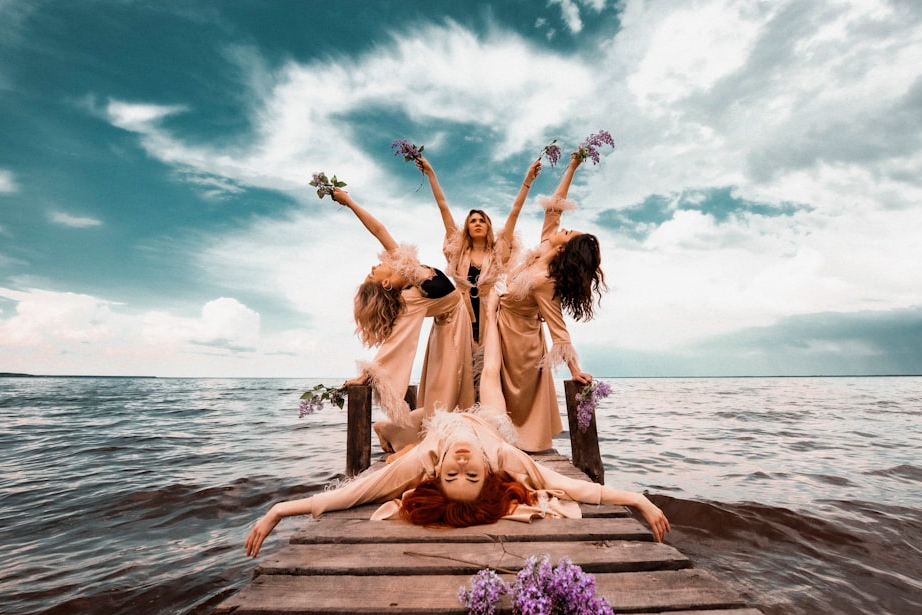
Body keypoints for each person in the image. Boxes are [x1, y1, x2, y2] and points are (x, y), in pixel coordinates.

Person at [244, 409, 669, 558]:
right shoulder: (504, 458)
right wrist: (638, 500)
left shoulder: (425, 462)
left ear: (435, 474)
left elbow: (356, 493)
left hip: (438, 427)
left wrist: (279, 509)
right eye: (470, 475)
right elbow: (576, 489)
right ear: (489, 473)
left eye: (453, 475)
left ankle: (393, 436)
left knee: (398, 443)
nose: (462, 463)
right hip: (487, 423)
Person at [479, 151, 606, 452]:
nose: (565, 227)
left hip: (523, 343)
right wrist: (573, 165)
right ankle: (495, 438)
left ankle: (524, 444)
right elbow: (554, 208)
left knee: (517, 398)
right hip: (501, 329)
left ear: (567, 250)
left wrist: (575, 370)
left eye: (570, 233)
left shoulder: (547, 281)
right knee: (492, 388)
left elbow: (557, 327)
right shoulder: (547, 244)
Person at [332, 188, 474, 449]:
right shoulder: (409, 301)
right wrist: (367, 375)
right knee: (446, 394)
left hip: (455, 320)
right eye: (371, 274)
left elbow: (378, 230)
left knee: (448, 393)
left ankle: (408, 433)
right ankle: (397, 431)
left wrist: (350, 202)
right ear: (386, 283)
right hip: (450, 326)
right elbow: (396, 344)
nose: (374, 266)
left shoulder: (404, 264)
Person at [415, 155, 542, 359]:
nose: (477, 223)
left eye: (482, 220)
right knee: (457, 365)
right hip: (458, 311)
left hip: (490, 313)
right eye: (473, 220)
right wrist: (430, 173)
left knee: (486, 365)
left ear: (488, 225)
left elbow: (515, 212)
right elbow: (442, 206)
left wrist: (528, 180)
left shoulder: (497, 251)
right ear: (467, 226)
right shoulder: (458, 251)